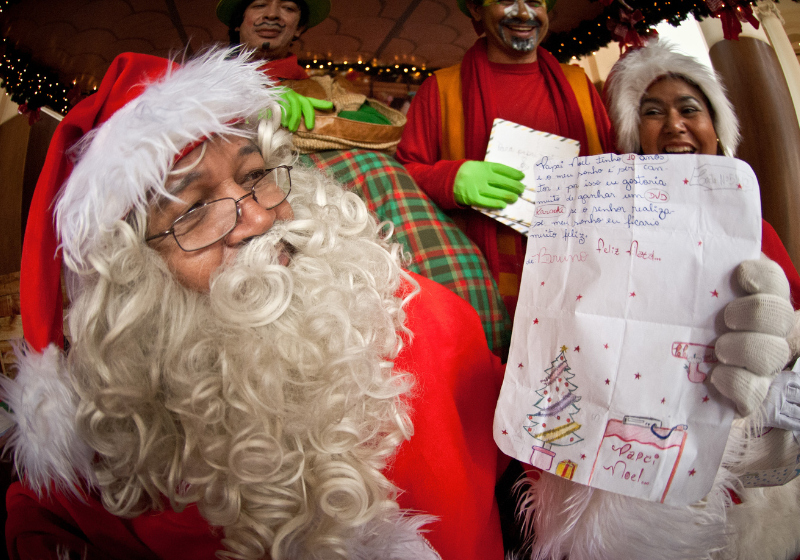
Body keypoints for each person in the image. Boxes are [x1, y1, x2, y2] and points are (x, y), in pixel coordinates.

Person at [2, 48, 507, 560]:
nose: (259, 219)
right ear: (131, 276)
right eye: (195, 207)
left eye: (254, 176)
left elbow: (529, 429)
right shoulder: (123, 431)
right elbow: (42, 515)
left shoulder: (429, 317)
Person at [513, 40, 800, 560]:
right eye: (652, 112)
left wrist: (780, 382)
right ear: (632, 137)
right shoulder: (597, 230)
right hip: (627, 488)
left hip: (740, 495)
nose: (674, 124)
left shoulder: (757, 230)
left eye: (690, 109)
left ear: (717, 130)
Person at [216, 0, 513, 353]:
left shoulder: (325, 88)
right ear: (239, 20)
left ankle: (466, 334)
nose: (272, 15)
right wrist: (245, 112)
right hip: (263, 198)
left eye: (288, 7)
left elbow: (382, 129)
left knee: (385, 176)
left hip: (357, 195)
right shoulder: (204, 86)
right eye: (259, 3)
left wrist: (329, 116)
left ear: (300, 27)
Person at [395, 0, 616, 323]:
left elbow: (612, 170)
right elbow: (401, 177)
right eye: (506, 0)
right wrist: (450, 179)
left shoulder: (579, 85)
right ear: (474, 9)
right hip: (478, 281)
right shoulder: (440, 89)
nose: (524, 13)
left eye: (535, 2)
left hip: (575, 276)